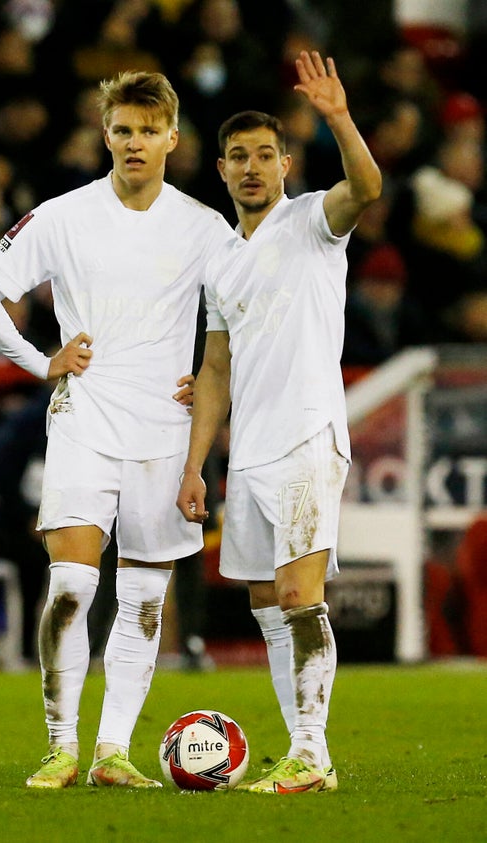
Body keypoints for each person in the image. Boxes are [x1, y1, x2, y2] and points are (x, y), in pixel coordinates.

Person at [0, 70, 233, 789]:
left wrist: (208, 385)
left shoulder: (205, 228)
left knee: (143, 599)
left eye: (147, 130)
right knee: (73, 583)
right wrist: (39, 361)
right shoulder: (62, 216)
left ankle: (113, 752)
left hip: (166, 431)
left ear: (173, 137)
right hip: (86, 417)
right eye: (121, 129)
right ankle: (61, 745)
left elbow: (248, 320)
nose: (133, 142)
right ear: (104, 134)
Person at [177, 50, 382, 793]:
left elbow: (367, 186)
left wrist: (338, 116)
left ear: (287, 163)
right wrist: (196, 463)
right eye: (239, 157)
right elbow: (216, 370)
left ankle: (312, 753)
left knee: (300, 598)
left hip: (306, 433)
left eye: (265, 154)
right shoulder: (220, 263)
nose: (252, 167)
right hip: (251, 450)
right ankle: (304, 747)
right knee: (267, 603)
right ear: (224, 172)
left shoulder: (312, 222)